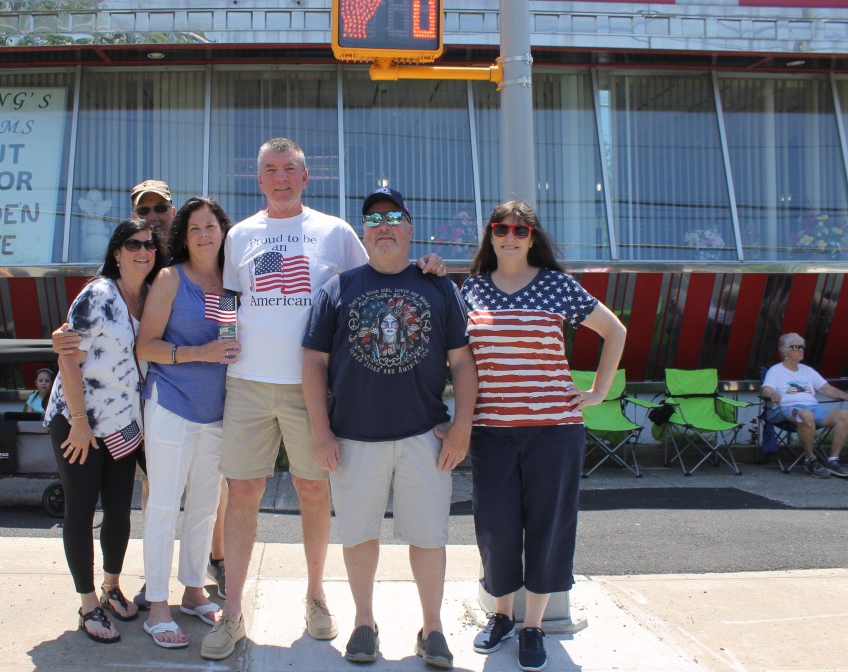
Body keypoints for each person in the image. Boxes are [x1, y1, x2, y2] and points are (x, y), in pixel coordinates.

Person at [200, 137, 446, 661]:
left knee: (313, 491)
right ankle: (233, 610)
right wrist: (224, 339)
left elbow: (379, 272)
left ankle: (315, 595)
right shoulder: (240, 234)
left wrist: (427, 265)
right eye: (271, 170)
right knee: (242, 493)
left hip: (310, 387)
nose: (281, 178)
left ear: (305, 177)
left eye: (290, 169)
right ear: (259, 179)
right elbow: (228, 297)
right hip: (247, 383)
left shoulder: (334, 232)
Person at [302, 188, 477, 668]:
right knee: (358, 534)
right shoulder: (337, 289)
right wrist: (320, 431)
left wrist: (462, 426)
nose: (384, 226)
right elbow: (313, 362)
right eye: (374, 219)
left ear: (410, 229)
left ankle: (432, 628)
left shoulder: (439, 286)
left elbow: (463, 361)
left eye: (394, 217)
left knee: (429, 536)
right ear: (364, 232)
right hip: (354, 437)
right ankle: (364, 622)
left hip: (425, 436)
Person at [461, 201, 625, 672]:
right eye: (501, 229)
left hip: (554, 431)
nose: (510, 237)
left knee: (548, 526)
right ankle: (502, 616)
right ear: (490, 235)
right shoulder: (471, 289)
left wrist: (598, 391)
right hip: (492, 431)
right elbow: (457, 356)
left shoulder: (556, 285)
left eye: (520, 230)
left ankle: (533, 626)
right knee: (495, 527)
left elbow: (614, 331)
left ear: (532, 237)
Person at [44, 217, 166, 644]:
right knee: (80, 510)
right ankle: (88, 604)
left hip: (122, 423)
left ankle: (112, 586)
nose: (142, 251)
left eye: (149, 245)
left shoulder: (150, 296)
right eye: (133, 244)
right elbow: (67, 356)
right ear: (116, 252)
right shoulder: (98, 294)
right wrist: (79, 424)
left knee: (118, 510)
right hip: (79, 420)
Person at [134, 196, 238, 648]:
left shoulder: (233, 282)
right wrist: (201, 353)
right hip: (172, 404)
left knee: (204, 506)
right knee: (163, 506)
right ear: (184, 235)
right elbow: (146, 346)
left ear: (223, 231)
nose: (203, 234)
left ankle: (194, 591)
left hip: (217, 411)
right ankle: (158, 606)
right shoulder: (170, 278)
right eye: (194, 227)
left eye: (210, 225)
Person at [761, 332, 848, 479]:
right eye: (796, 347)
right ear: (784, 351)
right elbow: (766, 390)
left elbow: (828, 389)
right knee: (805, 415)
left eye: (802, 347)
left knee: (844, 415)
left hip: (813, 408)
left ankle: (833, 460)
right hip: (786, 409)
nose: (801, 350)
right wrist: (772, 394)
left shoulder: (808, 370)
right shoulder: (776, 370)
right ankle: (810, 460)